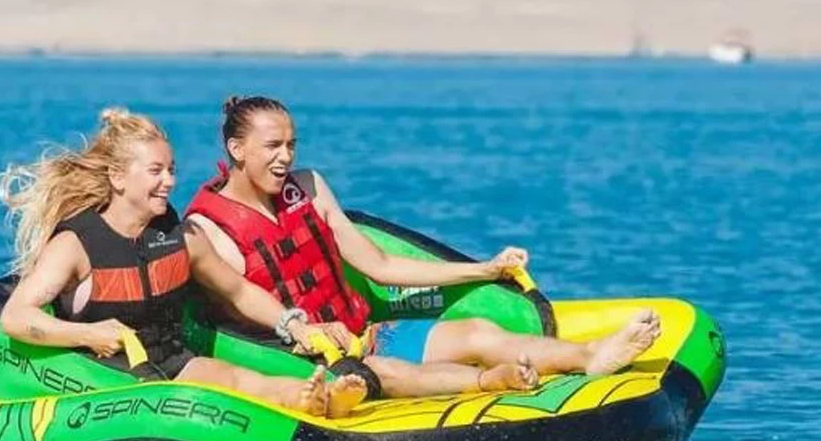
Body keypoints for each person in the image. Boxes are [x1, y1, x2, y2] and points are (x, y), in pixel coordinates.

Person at [184, 96, 661, 389]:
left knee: (477, 332)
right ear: (236, 149)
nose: (286, 156)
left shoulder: (307, 188)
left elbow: (379, 265)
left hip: (363, 333)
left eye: (291, 144)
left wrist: (482, 269)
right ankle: (487, 382)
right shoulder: (210, 230)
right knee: (389, 373)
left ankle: (590, 355)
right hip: (306, 363)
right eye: (273, 146)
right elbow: (238, 312)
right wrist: (303, 332)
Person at [0, 107, 368, 419]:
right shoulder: (75, 245)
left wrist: (294, 325)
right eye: (156, 171)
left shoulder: (180, 237)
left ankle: (316, 399)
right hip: (105, 378)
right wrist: (88, 334)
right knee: (205, 390)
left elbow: (237, 290)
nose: (170, 182)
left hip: (173, 364)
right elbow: (15, 316)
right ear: (118, 177)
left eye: (171, 170)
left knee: (240, 380)